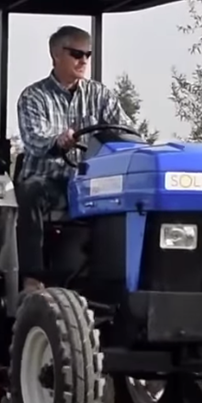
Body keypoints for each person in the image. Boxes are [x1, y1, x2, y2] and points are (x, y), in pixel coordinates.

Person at [15, 25, 133, 295]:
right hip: (50, 179)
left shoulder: (101, 96)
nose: (84, 61)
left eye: (88, 54)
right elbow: (34, 139)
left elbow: (126, 131)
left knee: (129, 199)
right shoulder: (34, 97)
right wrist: (58, 141)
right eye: (77, 53)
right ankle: (31, 279)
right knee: (30, 191)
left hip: (88, 181)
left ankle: (115, 281)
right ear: (56, 54)